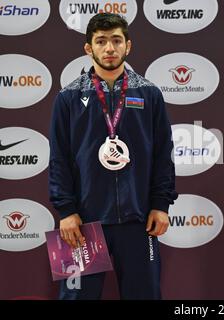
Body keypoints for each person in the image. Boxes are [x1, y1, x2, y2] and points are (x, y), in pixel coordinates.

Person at [49, 13, 177, 300]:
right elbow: (59, 158)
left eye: (116, 41)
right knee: (76, 298)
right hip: (84, 223)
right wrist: (67, 211)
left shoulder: (149, 94)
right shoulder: (68, 97)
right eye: (101, 41)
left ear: (128, 46)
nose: (109, 48)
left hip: (138, 219)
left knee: (144, 295)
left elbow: (162, 155)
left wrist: (160, 204)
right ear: (88, 48)